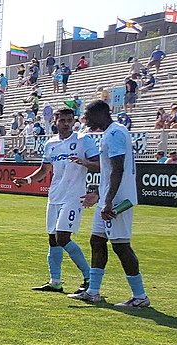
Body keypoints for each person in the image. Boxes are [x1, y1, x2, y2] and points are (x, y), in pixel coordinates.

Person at [68, 100, 150, 307]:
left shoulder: (115, 134)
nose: (85, 119)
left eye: (88, 115)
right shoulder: (111, 133)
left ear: (101, 114)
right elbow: (108, 172)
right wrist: (98, 193)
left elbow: (117, 169)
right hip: (108, 197)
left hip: (117, 200)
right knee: (96, 241)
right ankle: (93, 291)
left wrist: (108, 200)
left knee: (121, 246)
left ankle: (140, 296)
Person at [13, 108, 100, 293]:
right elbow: (44, 170)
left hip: (74, 196)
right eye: (63, 120)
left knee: (62, 237)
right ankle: (55, 281)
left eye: (70, 120)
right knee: (53, 239)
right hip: (54, 196)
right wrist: (27, 180)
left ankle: (89, 277)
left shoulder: (83, 140)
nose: (67, 123)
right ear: (55, 122)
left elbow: (99, 164)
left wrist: (85, 163)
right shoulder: (51, 143)